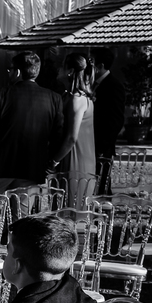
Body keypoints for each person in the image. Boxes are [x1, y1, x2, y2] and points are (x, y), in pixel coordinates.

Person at [0, 51, 64, 192]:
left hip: (0, 167)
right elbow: (57, 136)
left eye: (10, 69)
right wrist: (49, 163)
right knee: (24, 206)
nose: (8, 73)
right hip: (33, 168)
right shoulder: (54, 99)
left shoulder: (1, 94)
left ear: (18, 72)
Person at [52, 53, 96, 209]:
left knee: (71, 209)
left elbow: (72, 137)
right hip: (77, 157)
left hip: (75, 160)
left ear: (70, 71)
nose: (58, 69)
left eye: (62, 65)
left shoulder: (77, 99)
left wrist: (54, 161)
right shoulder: (72, 96)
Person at [92, 48, 126, 193]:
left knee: (102, 184)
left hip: (102, 145)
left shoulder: (114, 86)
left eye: (91, 62)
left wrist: (103, 145)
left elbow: (116, 119)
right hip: (92, 143)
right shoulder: (94, 83)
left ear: (100, 66)